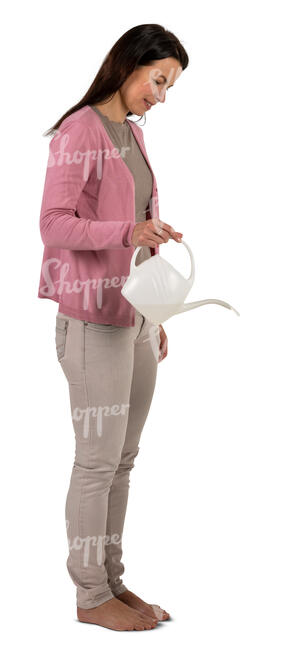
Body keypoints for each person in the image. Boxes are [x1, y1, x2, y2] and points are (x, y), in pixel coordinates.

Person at [38, 23, 189, 632]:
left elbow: (137, 223)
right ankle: (89, 595)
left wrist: (156, 311)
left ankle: (112, 582)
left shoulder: (130, 133)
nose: (160, 96)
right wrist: (126, 233)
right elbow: (54, 224)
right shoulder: (81, 131)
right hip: (91, 320)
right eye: (158, 80)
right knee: (96, 462)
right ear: (130, 64)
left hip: (133, 319)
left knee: (123, 459)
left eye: (169, 87)